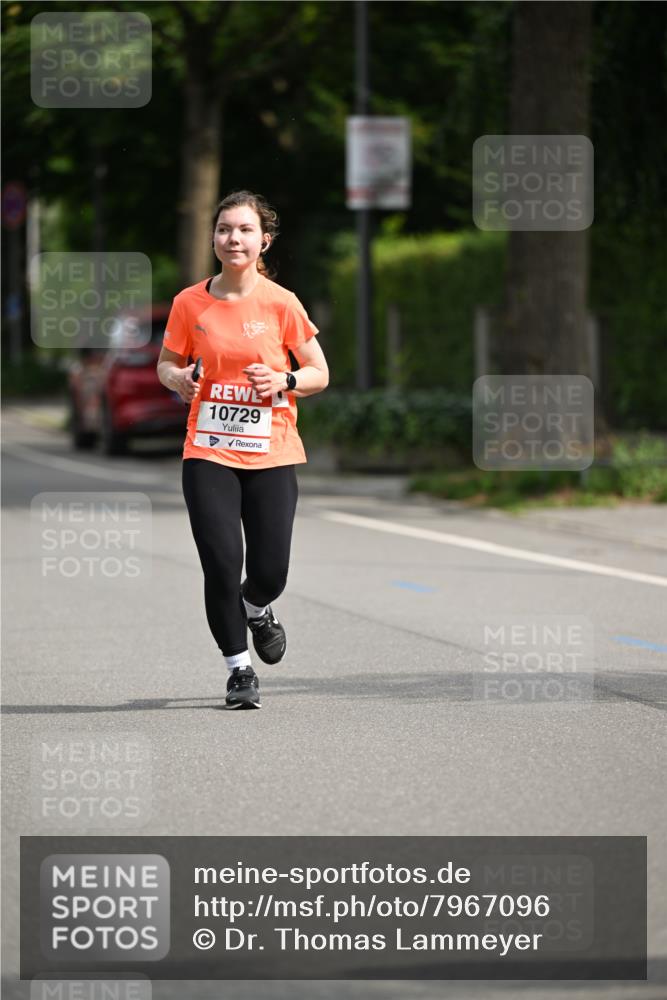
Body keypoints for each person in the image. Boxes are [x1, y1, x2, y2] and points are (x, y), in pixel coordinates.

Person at [157, 190, 329, 709]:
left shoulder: (281, 303)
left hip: (272, 451)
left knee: (271, 570)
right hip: (208, 450)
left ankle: (256, 608)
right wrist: (178, 379)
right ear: (213, 238)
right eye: (225, 229)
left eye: (245, 230)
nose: (234, 238)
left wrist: (284, 380)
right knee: (221, 561)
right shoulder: (189, 303)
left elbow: (319, 373)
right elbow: (166, 364)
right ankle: (239, 670)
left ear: (264, 241)